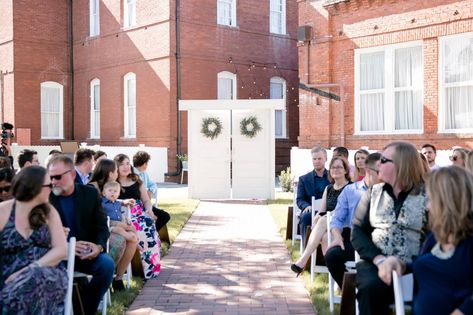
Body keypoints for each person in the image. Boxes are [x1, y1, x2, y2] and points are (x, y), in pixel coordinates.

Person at [378, 166, 473, 315]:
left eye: (431, 199)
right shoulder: (435, 238)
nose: (427, 206)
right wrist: (398, 263)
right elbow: (425, 267)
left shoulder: (469, 243)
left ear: (449, 201)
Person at [351, 141, 429, 315]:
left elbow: (436, 235)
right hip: (375, 262)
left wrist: (413, 263)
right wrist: (379, 259)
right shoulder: (373, 192)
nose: (378, 164)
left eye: (384, 160)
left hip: (416, 263)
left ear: (401, 165)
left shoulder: (428, 194)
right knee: (371, 287)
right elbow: (357, 231)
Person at [48, 155, 114, 314]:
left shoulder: (89, 194)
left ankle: (84, 310)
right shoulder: (46, 198)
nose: (53, 181)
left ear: (71, 175)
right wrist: (67, 245)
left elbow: (102, 227)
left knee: (107, 265)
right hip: (56, 256)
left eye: (57, 177)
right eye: (50, 177)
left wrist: (98, 247)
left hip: (85, 254)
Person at [0, 166, 67, 313]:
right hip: (8, 276)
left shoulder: (49, 212)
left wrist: (29, 270)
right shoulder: (3, 212)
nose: (52, 188)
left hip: (46, 271)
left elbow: (61, 250)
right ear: (34, 187)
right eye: (49, 185)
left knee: (38, 278)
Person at [325, 153, 381, 288]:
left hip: (380, 241)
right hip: (354, 239)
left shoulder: (388, 191)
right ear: (368, 171)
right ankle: (349, 291)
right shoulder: (350, 191)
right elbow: (337, 219)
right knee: (331, 255)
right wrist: (337, 237)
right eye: (380, 171)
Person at [291, 157, 351, 276]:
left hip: (344, 225)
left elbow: (347, 211)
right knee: (324, 236)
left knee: (323, 220)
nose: (335, 169)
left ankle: (303, 260)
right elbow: (322, 210)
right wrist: (317, 216)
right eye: (333, 167)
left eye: (339, 167)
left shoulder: (350, 187)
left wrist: (324, 217)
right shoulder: (328, 188)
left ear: (345, 170)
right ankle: (335, 276)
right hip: (328, 225)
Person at [115, 153, 161, 279]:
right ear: (116, 167)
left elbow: (146, 200)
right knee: (139, 229)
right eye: (121, 164)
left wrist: (149, 210)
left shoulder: (136, 179)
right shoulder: (113, 183)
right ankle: (137, 268)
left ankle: (150, 268)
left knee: (148, 225)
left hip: (139, 213)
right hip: (121, 216)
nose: (125, 167)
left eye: (127, 163)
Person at [101, 181, 138, 291]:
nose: (112, 193)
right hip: (109, 226)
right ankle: (111, 276)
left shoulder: (117, 203)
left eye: (115, 191)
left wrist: (125, 202)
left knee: (132, 235)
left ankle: (118, 278)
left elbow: (120, 204)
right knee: (123, 233)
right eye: (110, 191)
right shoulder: (102, 203)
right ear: (103, 193)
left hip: (119, 225)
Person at [296, 146, 330, 246]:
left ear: (325, 159)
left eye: (319, 158)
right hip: (312, 211)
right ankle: (306, 249)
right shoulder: (304, 179)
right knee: (305, 217)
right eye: (314, 159)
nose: (316, 161)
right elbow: (300, 199)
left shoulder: (333, 177)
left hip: (328, 211)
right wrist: (306, 206)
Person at [133, 151, 171, 229]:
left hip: (146, 204)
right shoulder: (132, 174)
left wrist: (150, 190)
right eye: (147, 163)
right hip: (138, 206)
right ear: (144, 163)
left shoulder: (144, 174)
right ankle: (153, 234)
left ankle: (153, 234)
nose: (147, 165)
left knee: (164, 216)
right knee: (164, 216)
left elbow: (153, 185)